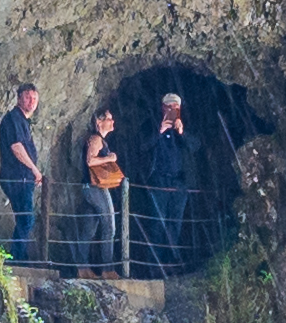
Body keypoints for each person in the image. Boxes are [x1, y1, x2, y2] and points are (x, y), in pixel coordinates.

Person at [141, 91, 199, 268]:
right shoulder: (151, 124)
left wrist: (181, 132)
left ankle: (172, 261)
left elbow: (196, 146)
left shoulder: (186, 125)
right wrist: (160, 131)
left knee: (176, 223)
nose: (173, 110)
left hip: (179, 182)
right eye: (169, 107)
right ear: (163, 108)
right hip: (158, 181)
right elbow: (142, 146)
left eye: (176, 107)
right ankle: (154, 263)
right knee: (157, 223)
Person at [0, 84, 43, 265]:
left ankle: (19, 257)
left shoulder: (23, 121)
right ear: (19, 98)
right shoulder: (13, 119)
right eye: (27, 97)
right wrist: (34, 169)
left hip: (23, 177)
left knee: (24, 218)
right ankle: (17, 259)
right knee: (26, 219)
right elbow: (16, 147)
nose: (31, 101)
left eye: (34, 98)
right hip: (17, 177)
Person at [82, 108, 128, 278]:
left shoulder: (98, 140)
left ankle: (82, 268)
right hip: (97, 189)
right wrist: (110, 158)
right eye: (109, 118)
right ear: (99, 122)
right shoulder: (96, 139)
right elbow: (90, 160)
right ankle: (107, 270)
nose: (112, 121)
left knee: (89, 230)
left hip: (88, 188)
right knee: (109, 227)